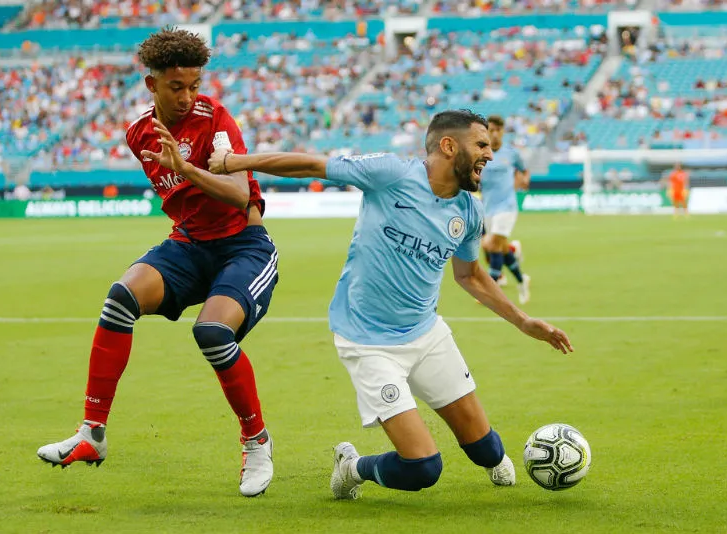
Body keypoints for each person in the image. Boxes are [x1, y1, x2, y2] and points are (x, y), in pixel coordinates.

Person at [207, 110, 572, 500]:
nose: (490, 154)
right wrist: (234, 162)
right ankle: (352, 467)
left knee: (487, 451)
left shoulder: (468, 210)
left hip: (427, 335)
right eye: (481, 145)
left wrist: (523, 321)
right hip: (368, 342)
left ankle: (489, 454)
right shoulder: (392, 174)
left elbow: (469, 275)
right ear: (449, 146)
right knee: (422, 468)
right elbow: (312, 165)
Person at [36, 28, 277, 498]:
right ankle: (92, 435)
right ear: (152, 86)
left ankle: (257, 442)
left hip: (244, 245)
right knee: (120, 298)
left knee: (211, 332)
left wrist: (188, 168)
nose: (188, 96)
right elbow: (184, 210)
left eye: (194, 84)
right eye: (176, 87)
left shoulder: (216, 119)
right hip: (189, 244)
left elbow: (238, 193)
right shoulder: (137, 133)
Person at [480, 115, 531, 304]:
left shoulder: (511, 153)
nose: (494, 134)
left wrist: (524, 180)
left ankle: (490, 292)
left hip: (507, 207)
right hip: (488, 208)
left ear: (502, 131)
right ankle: (521, 277)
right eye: (490, 130)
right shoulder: (480, 154)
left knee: (492, 245)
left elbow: (524, 170)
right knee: (492, 246)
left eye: (497, 130)